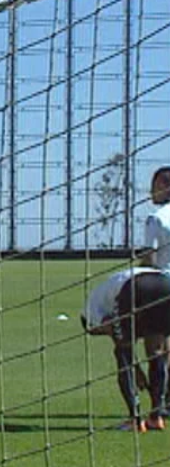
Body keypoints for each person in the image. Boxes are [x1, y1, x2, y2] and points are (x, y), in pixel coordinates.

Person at [83, 267, 170, 432]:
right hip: (165, 284)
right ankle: (156, 418)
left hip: (134, 288)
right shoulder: (106, 291)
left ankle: (135, 421)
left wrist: (133, 367)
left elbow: (117, 337)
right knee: (156, 351)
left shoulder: (91, 313)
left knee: (122, 355)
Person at [141, 167, 170, 272]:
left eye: (153, 187)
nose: (150, 192)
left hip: (164, 280)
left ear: (162, 187)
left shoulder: (155, 218)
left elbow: (149, 259)